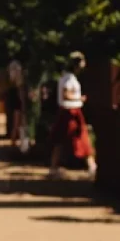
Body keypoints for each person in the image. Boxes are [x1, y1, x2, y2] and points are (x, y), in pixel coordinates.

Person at [48, 51, 97, 179]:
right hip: (70, 111)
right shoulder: (68, 79)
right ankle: (91, 166)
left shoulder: (68, 77)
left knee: (64, 140)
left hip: (70, 110)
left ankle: (54, 167)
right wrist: (79, 98)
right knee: (81, 137)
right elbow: (66, 94)